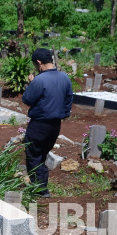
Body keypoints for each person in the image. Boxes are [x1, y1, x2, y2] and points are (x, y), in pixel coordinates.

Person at [21, 49, 74, 198]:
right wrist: (64, 114)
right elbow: (69, 98)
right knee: (43, 154)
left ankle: (40, 190)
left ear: (39, 63)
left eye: (35, 65)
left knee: (33, 154)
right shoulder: (64, 77)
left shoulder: (39, 80)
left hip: (39, 123)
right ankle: (42, 186)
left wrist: (31, 83)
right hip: (55, 125)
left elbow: (27, 99)